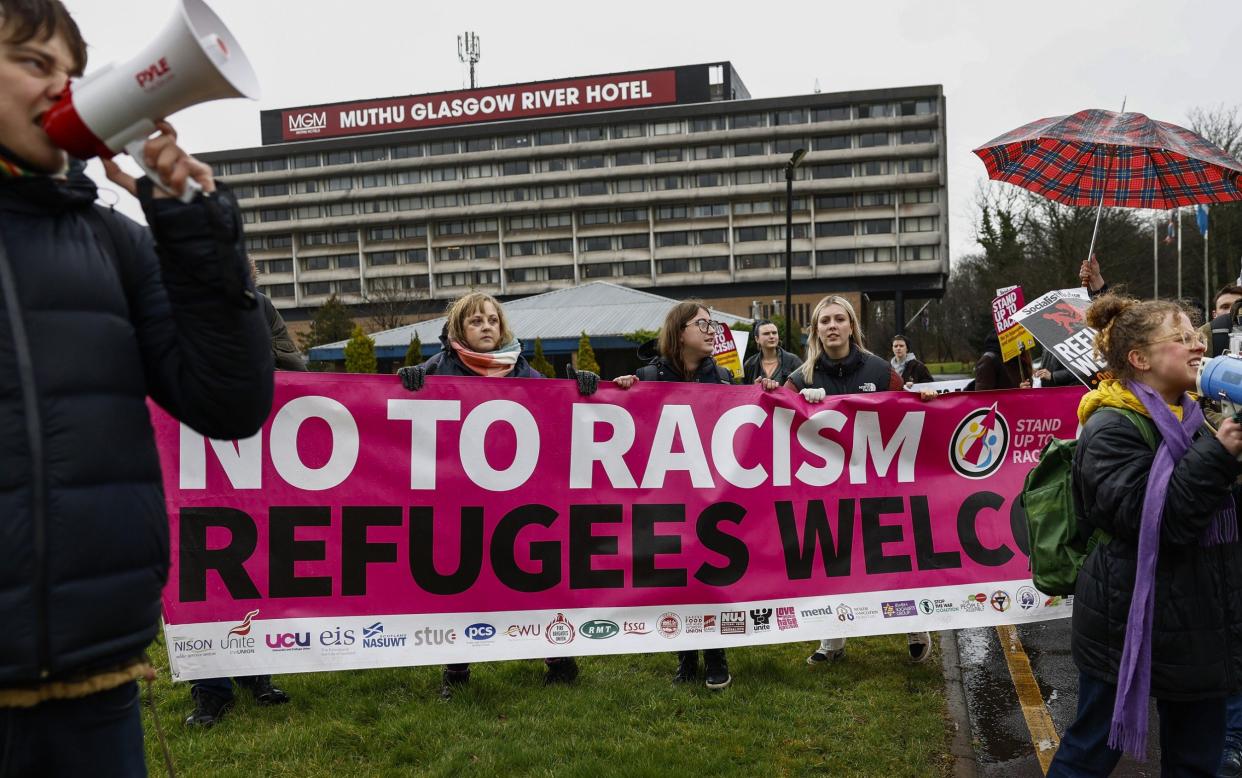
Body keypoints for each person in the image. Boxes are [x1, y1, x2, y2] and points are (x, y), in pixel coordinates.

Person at [0, 1, 274, 773]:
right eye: (32, 63)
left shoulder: (113, 242)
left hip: (100, 672)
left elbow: (229, 404)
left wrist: (194, 228)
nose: (61, 89)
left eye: (72, 73)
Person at [1046, 295, 1242, 776]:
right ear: (1140, 359)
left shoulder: (1200, 419)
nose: (1198, 347)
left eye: (1198, 337)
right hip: (1127, 616)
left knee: (1197, 759)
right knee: (1092, 751)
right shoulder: (1109, 427)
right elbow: (1157, 520)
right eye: (1181, 339)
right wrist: (1219, 457)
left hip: (1200, 621)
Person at [397, 292, 596, 700]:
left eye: (492, 319)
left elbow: (556, 407)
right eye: (475, 321)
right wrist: (406, 382)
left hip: (517, 498)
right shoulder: (435, 369)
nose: (486, 326)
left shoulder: (521, 368)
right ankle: (456, 669)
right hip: (460, 496)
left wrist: (579, 387)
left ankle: (558, 658)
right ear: (458, 330)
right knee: (462, 579)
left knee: (532, 573)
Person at [614, 300, 779, 690]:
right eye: (702, 324)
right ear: (679, 331)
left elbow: (745, 421)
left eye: (713, 324)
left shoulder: (722, 377)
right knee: (677, 573)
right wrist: (619, 393)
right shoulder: (647, 375)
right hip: (668, 496)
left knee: (711, 572)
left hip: (713, 496)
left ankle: (716, 654)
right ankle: (686, 657)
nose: (711, 331)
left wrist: (764, 391)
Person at [782, 296, 932, 665]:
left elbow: (906, 409)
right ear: (815, 331)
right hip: (827, 488)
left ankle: (914, 627)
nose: (832, 326)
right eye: (824, 321)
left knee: (893, 557)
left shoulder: (881, 371)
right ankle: (831, 641)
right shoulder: (801, 376)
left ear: (851, 326)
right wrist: (795, 400)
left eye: (839, 319)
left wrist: (923, 400)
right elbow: (772, 419)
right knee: (834, 561)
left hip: (878, 481)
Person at [185, 289, 302, 727]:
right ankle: (210, 689)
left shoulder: (259, 306)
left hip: (253, 453)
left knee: (248, 564)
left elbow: (296, 365)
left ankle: (255, 672)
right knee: (200, 570)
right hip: (195, 457)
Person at [742, 318, 802, 386]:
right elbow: (745, 392)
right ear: (757, 339)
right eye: (766, 334)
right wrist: (754, 389)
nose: (771, 336)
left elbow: (803, 388)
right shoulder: (749, 365)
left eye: (774, 333)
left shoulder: (793, 361)